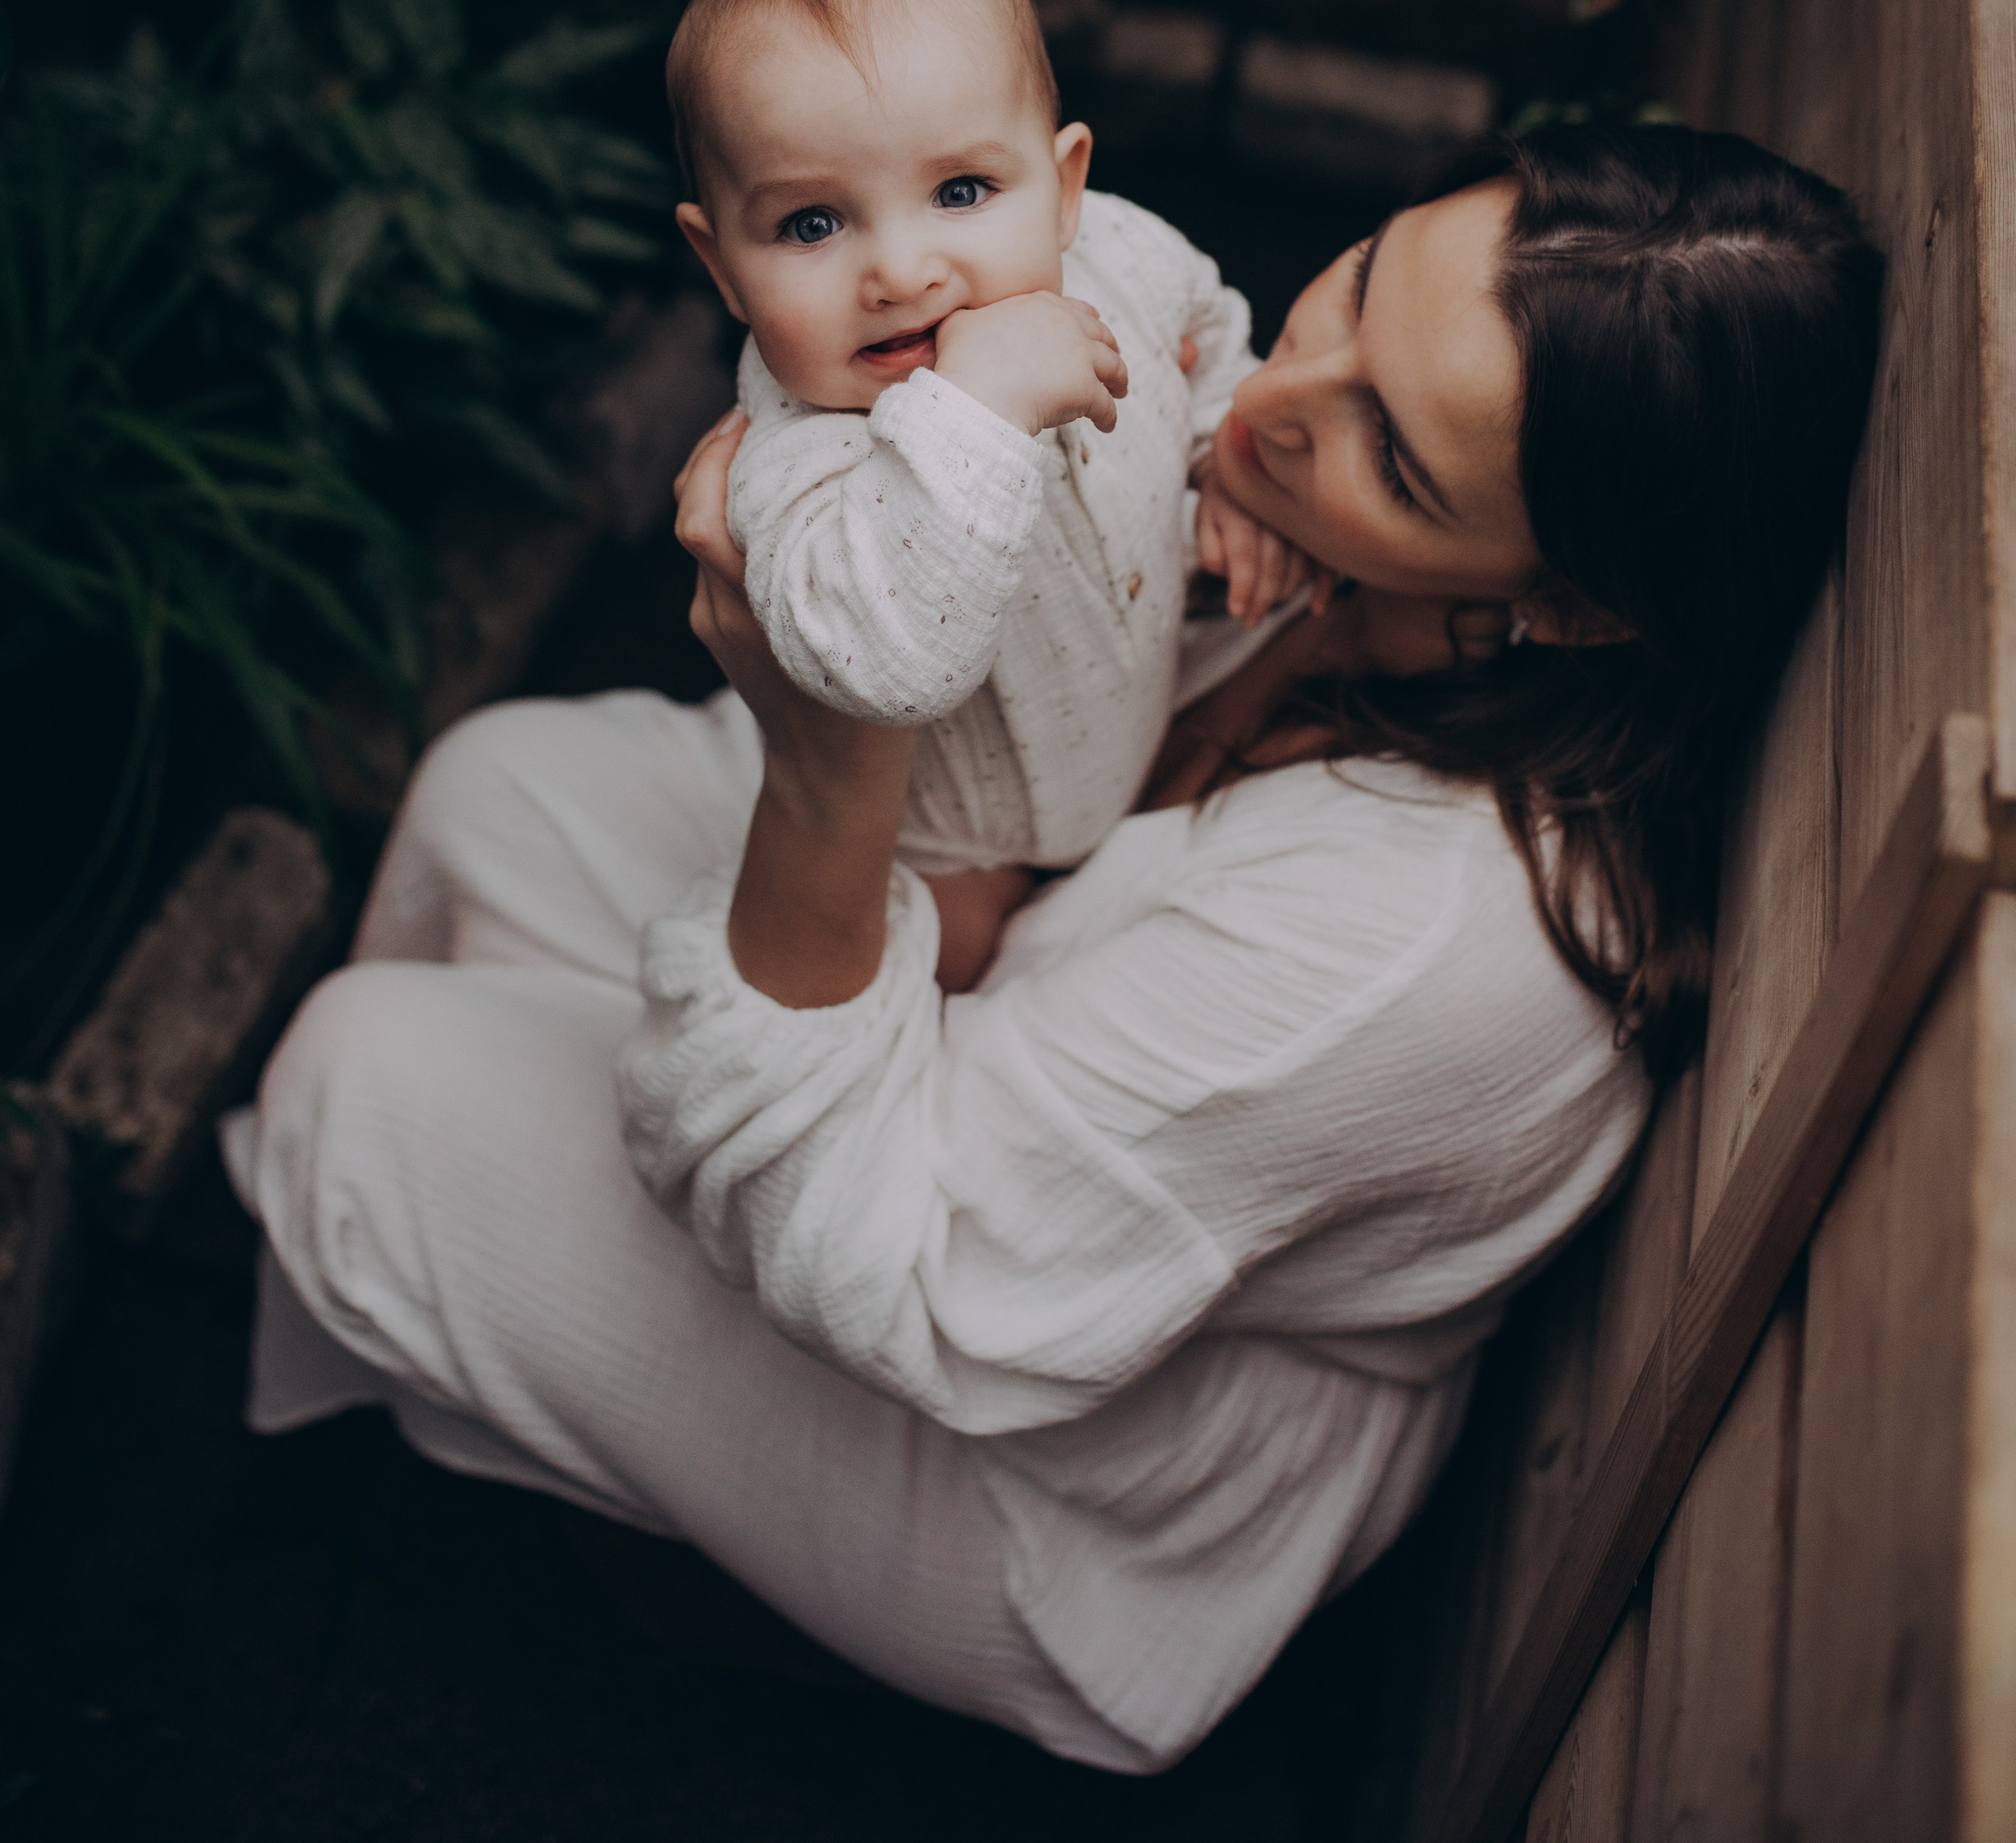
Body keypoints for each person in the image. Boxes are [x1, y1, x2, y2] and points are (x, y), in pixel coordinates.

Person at [224, 123, 1881, 1776]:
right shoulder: (1348, 553)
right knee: (496, 791)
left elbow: (902, 1261)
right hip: (1013, 1018)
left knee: (362, 1087)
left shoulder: (1420, 944)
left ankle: (711, 1551)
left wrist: (831, 752)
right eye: (1358, 285)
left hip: (1069, 1451)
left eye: (1390, 453)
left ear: (1572, 604)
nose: (1276, 405)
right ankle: (575, 1383)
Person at [667, 0, 1308, 993]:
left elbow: (1209, 331)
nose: (903, 270)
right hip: (957, 845)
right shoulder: (795, 458)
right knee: (948, 971)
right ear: (723, 266)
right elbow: (890, 665)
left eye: (962, 191)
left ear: (1066, 190)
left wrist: (1222, 456)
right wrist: (973, 409)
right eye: (811, 224)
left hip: (1145, 706)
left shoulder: (1122, 253)